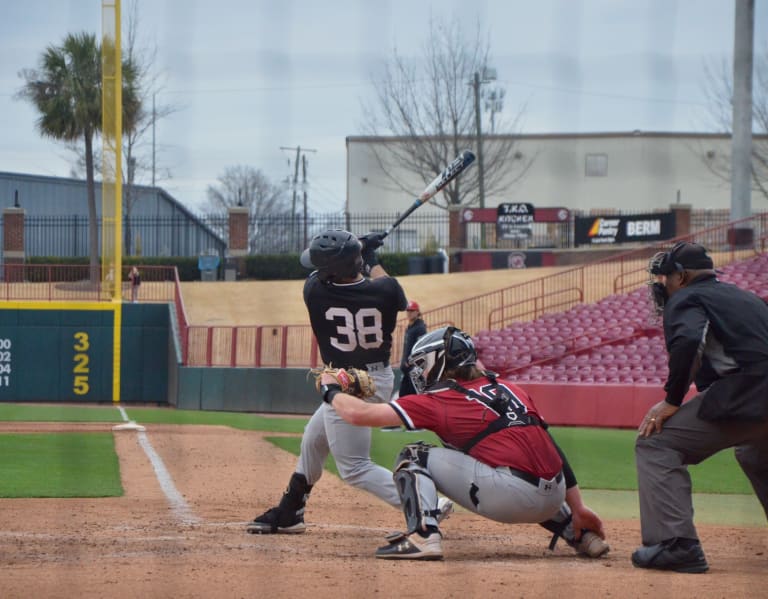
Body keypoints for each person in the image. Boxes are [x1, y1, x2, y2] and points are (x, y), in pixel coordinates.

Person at [317, 325, 609, 560]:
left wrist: (330, 390)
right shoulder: (511, 388)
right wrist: (579, 507)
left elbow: (358, 414)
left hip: (510, 498)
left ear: (440, 362)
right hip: (555, 497)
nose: (419, 373)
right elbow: (551, 446)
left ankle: (423, 535)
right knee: (516, 459)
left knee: (414, 454)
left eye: (422, 365)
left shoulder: (439, 400)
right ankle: (580, 533)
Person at [247, 229, 451, 534]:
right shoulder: (387, 292)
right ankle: (291, 510)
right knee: (313, 439)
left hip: (344, 381)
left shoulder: (314, 292)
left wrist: (359, 253)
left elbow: (325, 275)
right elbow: (392, 291)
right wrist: (370, 256)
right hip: (376, 378)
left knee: (354, 467)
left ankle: (425, 502)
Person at [633, 241, 768, 573]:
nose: (663, 284)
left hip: (749, 393)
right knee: (754, 452)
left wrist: (672, 400)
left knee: (654, 443)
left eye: (666, 277)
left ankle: (676, 545)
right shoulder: (746, 298)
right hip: (755, 391)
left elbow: (690, 340)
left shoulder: (687, 298)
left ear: (682, 276)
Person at [398, 300, 427, 398]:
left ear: (417, 312)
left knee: (413, 395)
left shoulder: (420, 328)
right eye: (408, 311)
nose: (409, 313)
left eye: (412, 311)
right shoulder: (410, 326)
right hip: (406, 369)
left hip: (414, 368)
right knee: (403, 395)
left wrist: (411, 361)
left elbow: (421, 348)